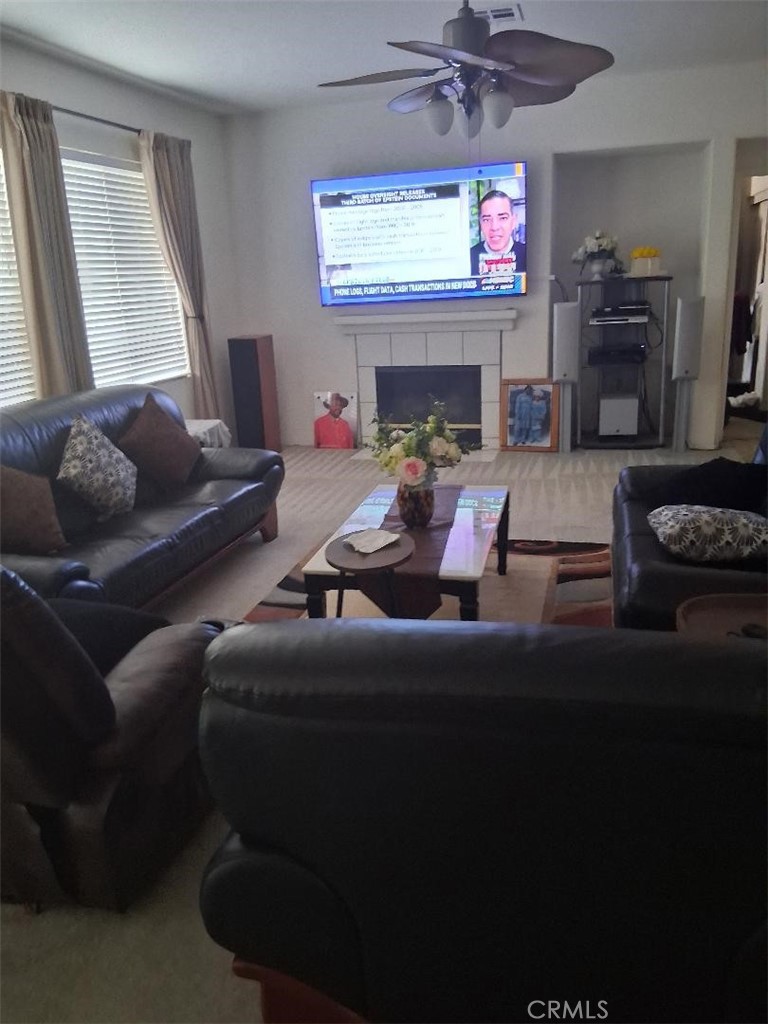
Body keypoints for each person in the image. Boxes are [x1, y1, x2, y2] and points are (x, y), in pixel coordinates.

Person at [470, 190, 526, 277]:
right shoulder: (469, 259)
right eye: (487, 220)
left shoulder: (528, 255)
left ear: (514, 221)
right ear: (480, 223)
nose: (494, 227)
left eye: (503, 218)